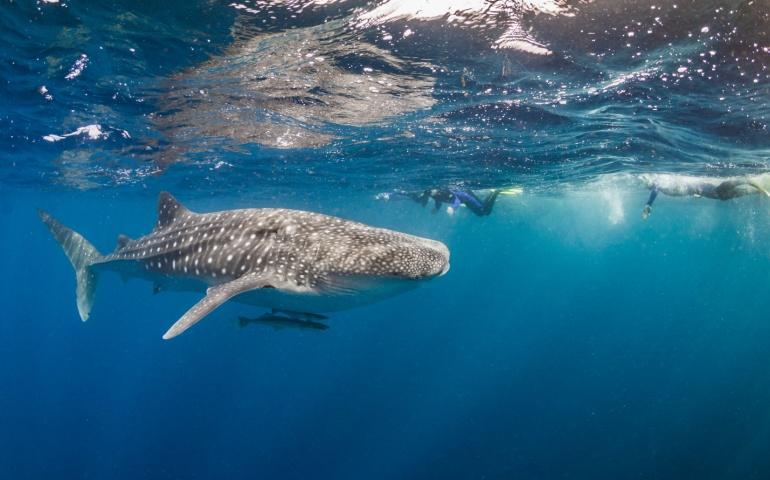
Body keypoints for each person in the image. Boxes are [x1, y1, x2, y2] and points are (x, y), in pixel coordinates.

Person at [640, 173, 770, 219]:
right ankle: (755, 190)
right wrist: (696, 194)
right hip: (699, 190)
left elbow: (655, 189)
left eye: (647, 184)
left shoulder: (659, 183)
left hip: (700, 187)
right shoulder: (663, 185)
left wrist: (648, 204)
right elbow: (684, 187)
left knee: (720, 192)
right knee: (723, 196)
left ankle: (745, 180)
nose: (648, 187)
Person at [379, 187, 503, 216]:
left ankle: (495, 192)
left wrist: (453, 208)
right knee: (482, 211)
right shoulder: (433, 193)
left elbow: (456, 200)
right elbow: (437, 200)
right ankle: (493, 193)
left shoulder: (443, 192)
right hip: (465, 198)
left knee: (484, 212)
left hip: (465, 197)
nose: (431, 195)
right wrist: (437, 208)